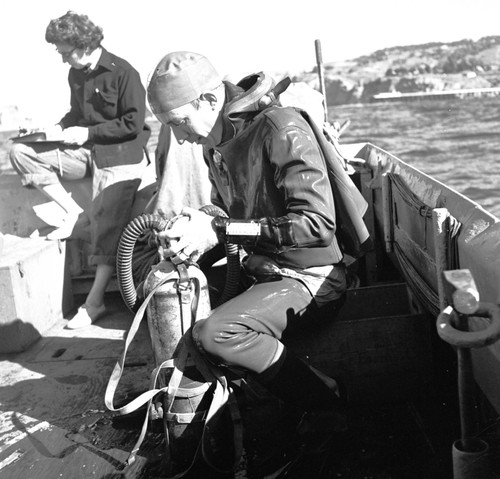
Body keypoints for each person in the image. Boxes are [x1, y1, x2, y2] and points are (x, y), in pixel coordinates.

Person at [146, 52, 369, 445]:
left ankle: (326, 398)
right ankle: (207, 407)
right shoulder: (213, 145)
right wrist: (192, 233)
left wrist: (219, 229)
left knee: (218, 333)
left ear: (211, 101)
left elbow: (316, 226)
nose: (179, 138)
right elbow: (231, 215)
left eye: (179, 123)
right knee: (174, 297)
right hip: (262, 270)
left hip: (313, 280)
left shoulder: (280, 129)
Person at [9, 11, 150, 329]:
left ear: (83, 44)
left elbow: (133, 123)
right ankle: (74, 213)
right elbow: (77, 112)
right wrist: (57, 127)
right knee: (20, 152)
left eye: (64, 51)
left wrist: (87, 134)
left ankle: (95, 302)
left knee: (106, 222)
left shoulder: (124, 72)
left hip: (121, 155)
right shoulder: (75, 74)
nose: (61, 59)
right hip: (86, 152)